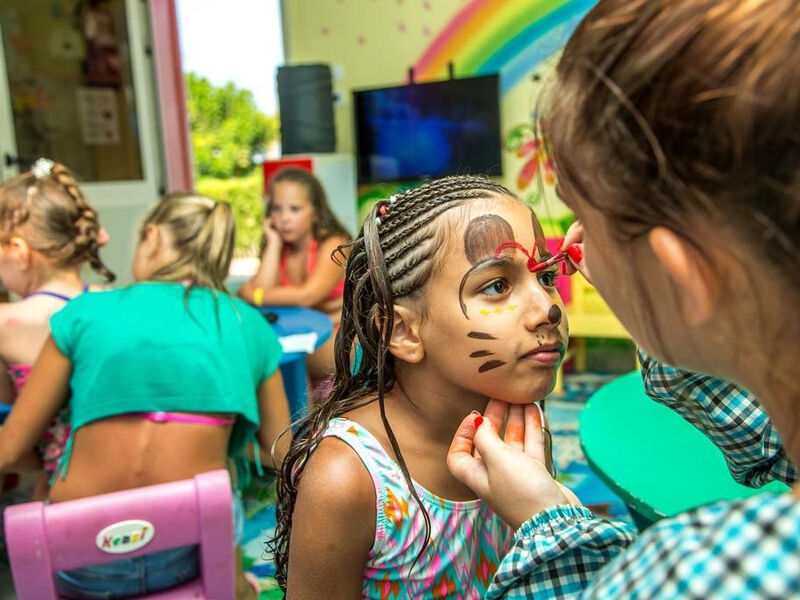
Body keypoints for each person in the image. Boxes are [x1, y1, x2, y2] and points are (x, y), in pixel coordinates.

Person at [446, 0, 800, 597]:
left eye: (586, 217)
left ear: (681, 275)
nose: (552, 297)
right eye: (499, 283)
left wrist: (547, 528)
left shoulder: (688, 577)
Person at [273, 175, 573, 597]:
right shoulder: (349, 478)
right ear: (403, 331)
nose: (548, 308)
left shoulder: (520, 431)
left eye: (545, 277)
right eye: (497, 286)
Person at [0, 192, 290, 599]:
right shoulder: (250, 323)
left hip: (82, 561)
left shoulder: (83, 314)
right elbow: (283, 453)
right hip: (187, 555)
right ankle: (240, 586)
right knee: (225, 488)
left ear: (151, 237)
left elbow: (10, 451)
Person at [0, 158, 114, 493]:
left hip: (61, 487)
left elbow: (8, 420)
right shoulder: (114, 303)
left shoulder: (8, 322)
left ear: (19, 252)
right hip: (128, 475)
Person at [238, 167, 350, 384]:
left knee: (270, 361)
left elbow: (307, 296)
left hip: (339, 335)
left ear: (317, 212)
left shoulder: (334, 245)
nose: (284, 218)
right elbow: (262, 294)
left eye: (295, 209)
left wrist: (255, 295)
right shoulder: (282, 250)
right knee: (264, 355)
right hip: (302, 339)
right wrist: (273, 243)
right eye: (277, 209)